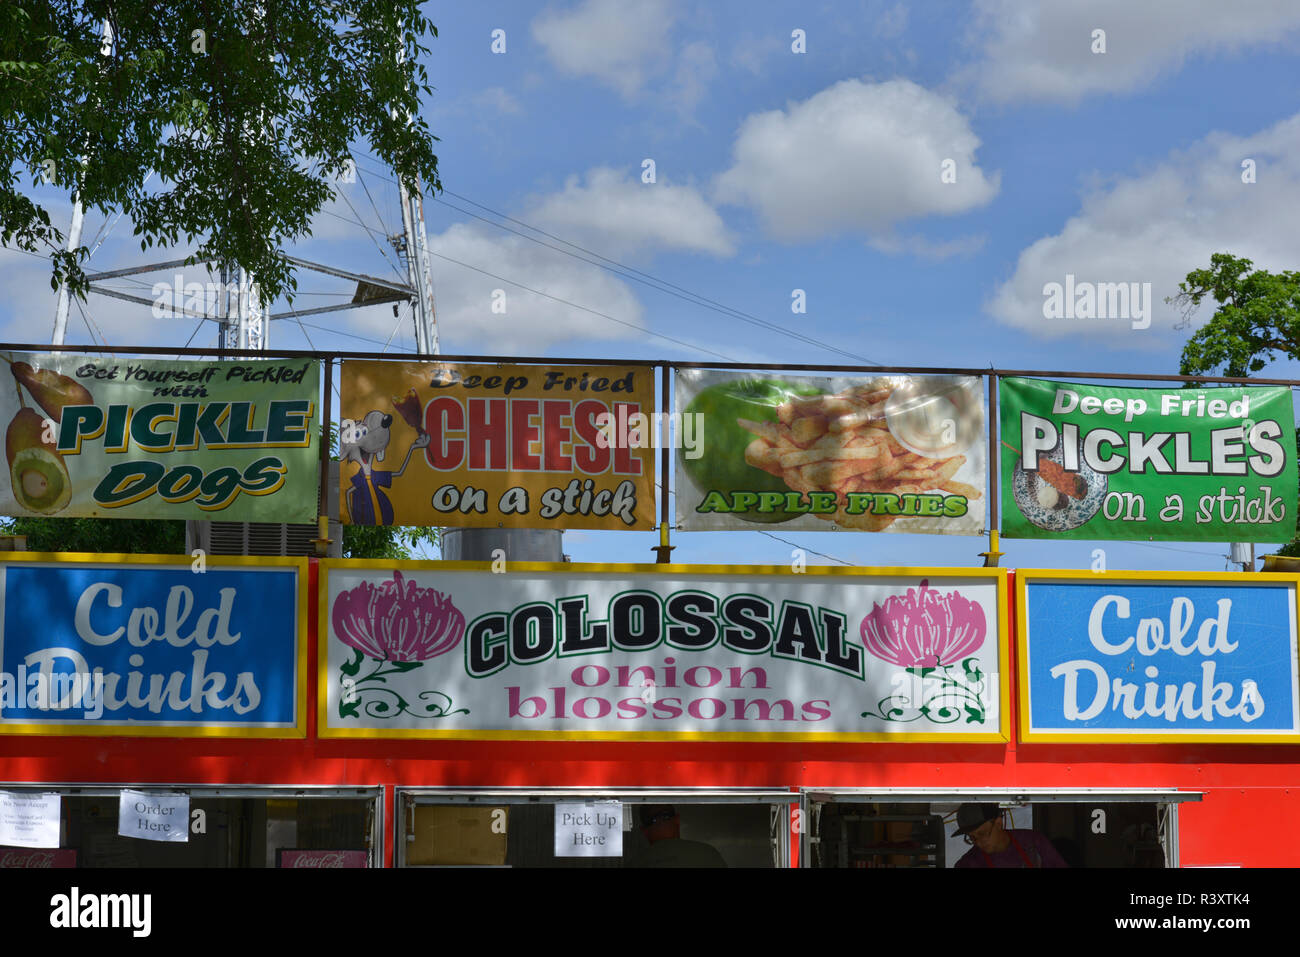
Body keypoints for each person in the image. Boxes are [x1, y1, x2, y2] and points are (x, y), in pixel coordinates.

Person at [951, 803, 1067, 868]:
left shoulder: (1034, 842)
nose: (979, 842)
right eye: (972, 838)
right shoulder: (968, 863)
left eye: (982, 833)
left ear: (998, 823)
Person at [637, 805, 727, 867]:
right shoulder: (708, 854)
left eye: (665, 816)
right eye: (654, 820)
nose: (660, 822)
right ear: (677, 819)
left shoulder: (636, 863)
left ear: (644, 830)